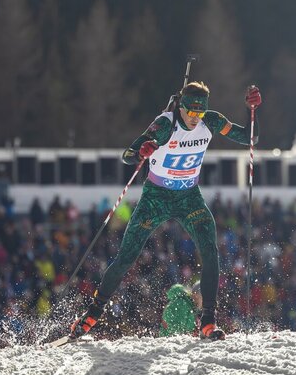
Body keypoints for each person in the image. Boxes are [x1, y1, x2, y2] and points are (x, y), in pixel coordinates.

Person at [69, 81, 262, 341]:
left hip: (188, 197)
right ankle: (90, 316)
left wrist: (252, 111)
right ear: (181, 108)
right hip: (156, 197)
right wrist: (142, 151)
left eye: (200, 112)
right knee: (127, 256)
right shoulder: (164, 125)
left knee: (210, 251)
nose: (196, 118)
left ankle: (207, 321)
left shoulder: (212, 121)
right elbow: (127, 155)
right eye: (191, 112)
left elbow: (250, 137)